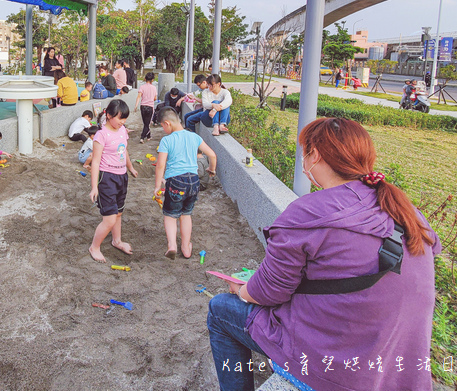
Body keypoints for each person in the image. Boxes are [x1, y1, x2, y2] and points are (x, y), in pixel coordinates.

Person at [207, 117, 440, 391]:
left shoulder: (308, 212)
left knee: (220, 310)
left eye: (304, 153)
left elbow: (270, 292)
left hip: (337, 372)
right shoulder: (405, 210)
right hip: (400, 369)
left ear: (315, 155)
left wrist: (242, 290)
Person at [154, 107, 216, 260]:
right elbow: (212, 155)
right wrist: (211, 169)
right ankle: (186, 248)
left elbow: (161, 165)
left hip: (176, 181)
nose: (163, 128)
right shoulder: (193, 136)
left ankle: (172, 245)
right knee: (186, 214)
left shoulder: (167, 140)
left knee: (170, 215)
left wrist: (157, 186)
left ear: (167, 123)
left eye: (162, 125)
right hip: (194, 181)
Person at [88, 99, 138, 263]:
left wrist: (130, 167)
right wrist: (94, 187)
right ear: (108, 115)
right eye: (119, 118)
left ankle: (117, 241)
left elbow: (125, 151)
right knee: (109, 219)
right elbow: (95, 162)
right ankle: (94, 247)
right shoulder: (101, 135)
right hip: (107, 178)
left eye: (124, 118)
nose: (122, 122)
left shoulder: (122, 130)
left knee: (118, 213)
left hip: (121, 176)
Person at [134, 71, 157, 142]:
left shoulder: (142, 87)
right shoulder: (154, 88)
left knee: (145, 123)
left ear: (145, 78)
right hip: (150, 107)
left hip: (143, 106)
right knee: (147, 124)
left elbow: (139, 96)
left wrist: (136, 105)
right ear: (152, 80)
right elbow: (155, 98)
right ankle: (142, 137)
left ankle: (149, 136)